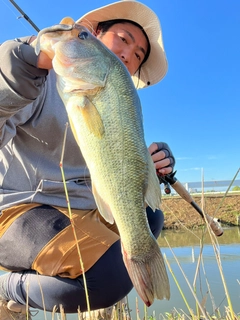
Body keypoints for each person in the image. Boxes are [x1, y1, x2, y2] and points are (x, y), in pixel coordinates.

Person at [0, 0, 175, 318]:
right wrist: (17, 68)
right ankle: (6, 291)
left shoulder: (119, 100)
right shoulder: (32, 78)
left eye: (138, 56)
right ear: (94, 33)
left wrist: (154, 162)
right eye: (123, 39)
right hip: (19, 211)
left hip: (78, 211)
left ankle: (100, 308)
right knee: (105, 281)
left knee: (149, 218)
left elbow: (117, 158)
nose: (127, 55)